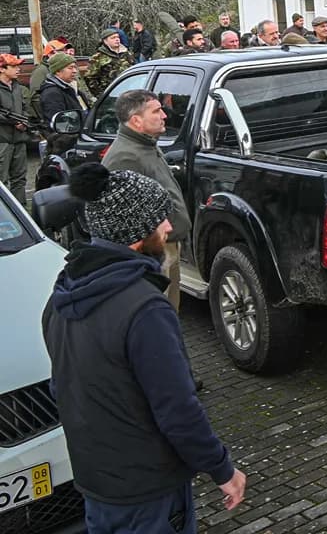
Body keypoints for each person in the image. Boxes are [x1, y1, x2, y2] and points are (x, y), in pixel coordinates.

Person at [44, 164, 246, 532]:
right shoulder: (145, 309)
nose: (168, 227)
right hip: (149, 493)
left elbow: (62, 390)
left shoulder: (60, 298)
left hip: (97, 486)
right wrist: (222, 468)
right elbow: (177, 409)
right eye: (160, 219)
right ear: (137, 233)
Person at [103, 90, 192, 311]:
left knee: (170, 310)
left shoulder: (145, 145)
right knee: (158, 313)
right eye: (156, 111)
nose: (164, 116)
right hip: (153, 253)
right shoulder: (126, 157)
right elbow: (125, 219)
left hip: (166, 245)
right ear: (136, 120)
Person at [38, 52, 91, 156]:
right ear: (58, 71)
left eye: (75, 67)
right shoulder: (52, 93)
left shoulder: (71, 88)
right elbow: (58, 124)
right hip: (65, 147)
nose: (75, 71)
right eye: (70, 68)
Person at [0, 53, 32, 205]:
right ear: (2, 69)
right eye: (14, 66)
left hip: (19, 138)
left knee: (19, 178)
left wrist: (23, 121)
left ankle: (21, 211)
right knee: (2, 180)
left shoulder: (18, 87)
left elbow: (25, 108)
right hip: (2, 140)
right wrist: (13, 121)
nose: (18, 69)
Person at [86, 29, 135, 94]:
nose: (117, 39)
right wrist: (100, 95)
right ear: (105, 41)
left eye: (118, 37)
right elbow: (90, 78)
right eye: (113, 38)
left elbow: (134, 69)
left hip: (129, 91)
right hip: (110, 94)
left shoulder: (127, 54)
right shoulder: (97, 57)